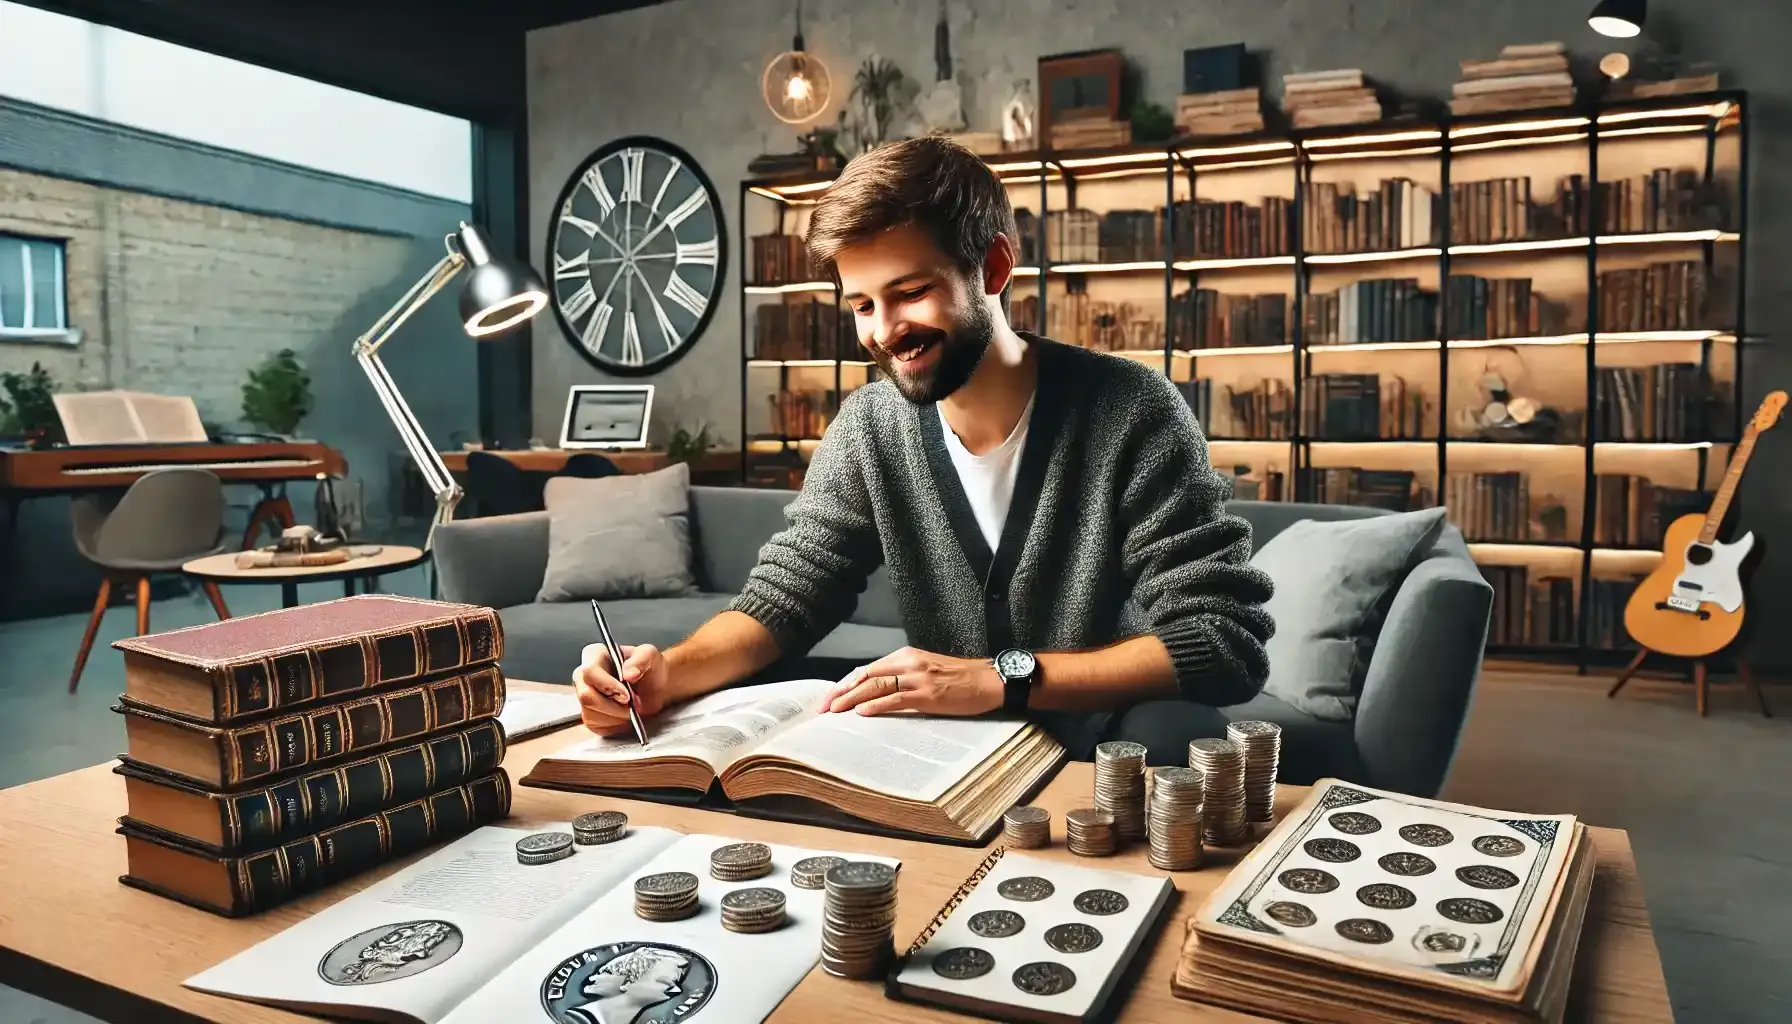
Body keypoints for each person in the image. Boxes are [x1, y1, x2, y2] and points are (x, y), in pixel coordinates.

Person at [573, 136, 1275, 762]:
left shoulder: (1133, 411)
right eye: (862, 306)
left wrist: (999, 677)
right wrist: (663, 673)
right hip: (939, 750)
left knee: (1173, 733)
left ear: (993, 266)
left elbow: (1223, 639)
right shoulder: (869, 428)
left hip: (1097, 747)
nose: (884, 332)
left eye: (909, 293)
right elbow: (785, 598)